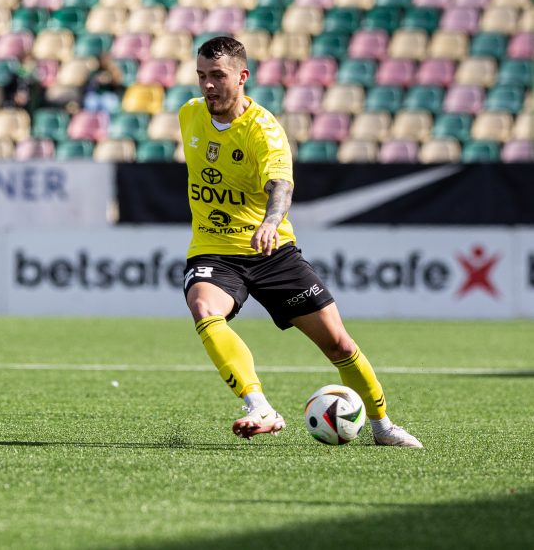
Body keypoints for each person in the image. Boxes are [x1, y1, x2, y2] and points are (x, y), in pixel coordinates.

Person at [179, 35, 422, 447]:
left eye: (217, 76)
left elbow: (281, 185)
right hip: (215, 249)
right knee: (204, 306)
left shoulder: (264, 131)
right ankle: (259, 406)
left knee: (339, 344)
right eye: (201, 75)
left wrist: (272, 221)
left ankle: (383, 426)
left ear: (242, 77)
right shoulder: (189, 115)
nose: (207, 85)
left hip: (271, 251)